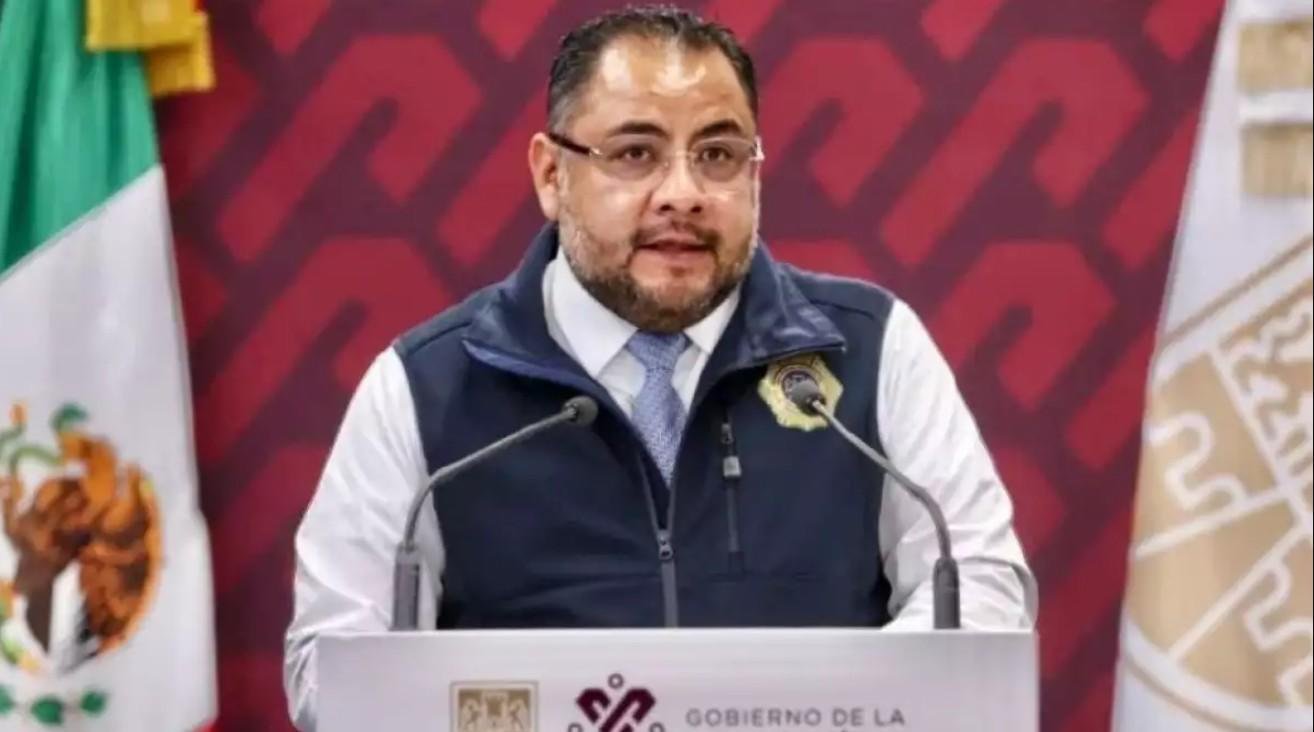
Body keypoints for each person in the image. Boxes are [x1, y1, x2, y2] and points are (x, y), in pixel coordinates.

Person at [282, 5, 1037, 729]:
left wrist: (805, 715)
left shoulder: (868, 350)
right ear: (551, 175)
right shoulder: (427, 388)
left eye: (718, 155)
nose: (683, 195)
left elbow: (980, 600)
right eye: (635, 154)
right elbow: (331, 673)